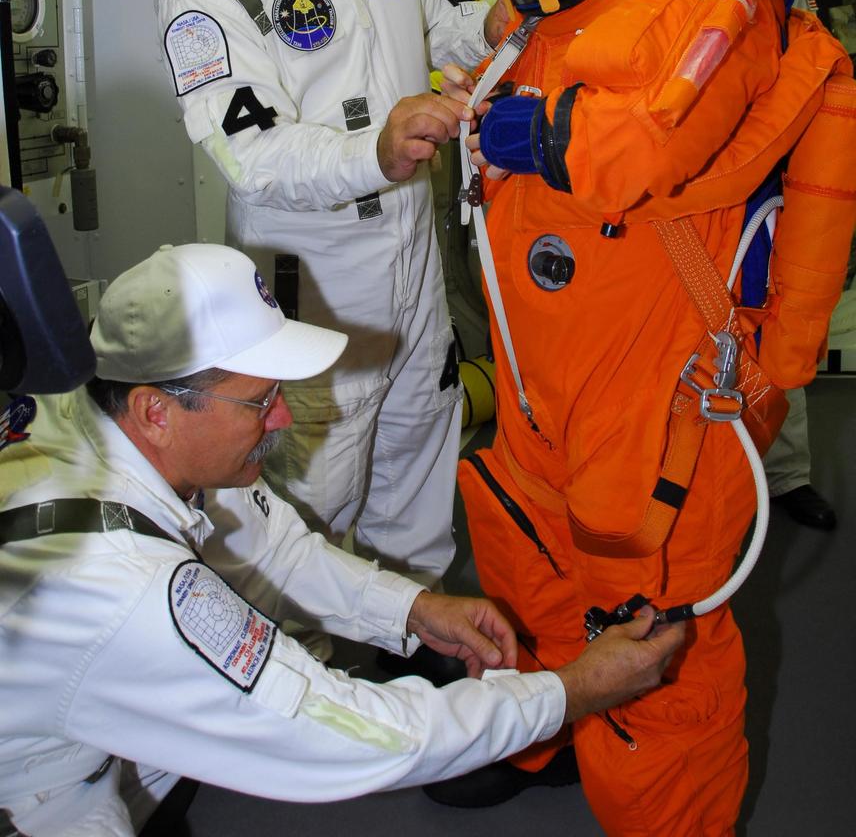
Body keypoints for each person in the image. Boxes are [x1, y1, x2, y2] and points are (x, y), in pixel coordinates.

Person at [430, 0, 852, 832]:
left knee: (653, 640)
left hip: (654, 379)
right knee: (530, 552)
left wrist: (543, 129)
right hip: (547, 370)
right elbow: (529, 62)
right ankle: (543, 729)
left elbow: (651, 140)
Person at [0, 242, 684, 837]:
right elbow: (348, 733)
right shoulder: (122, 588)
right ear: (157, 410)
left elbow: (276, 545)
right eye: (260, 400)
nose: (284, 416)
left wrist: (412, 612)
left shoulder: (93, 401)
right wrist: (572, 692)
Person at [156, 0, 510, 630]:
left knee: (421, 451)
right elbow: (255, 154)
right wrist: (372, 151)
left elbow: (441, 27)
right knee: (312, 493)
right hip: (309, 281)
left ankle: (409, 640)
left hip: (413, 257)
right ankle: (301, 675)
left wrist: (505, 21)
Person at [677, 0, 836, 531]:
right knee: (682, 336)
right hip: (686, 190)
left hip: (762, 183)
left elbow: (810, 72)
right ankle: (685, 479)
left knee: (771, 326)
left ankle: (786, 474)